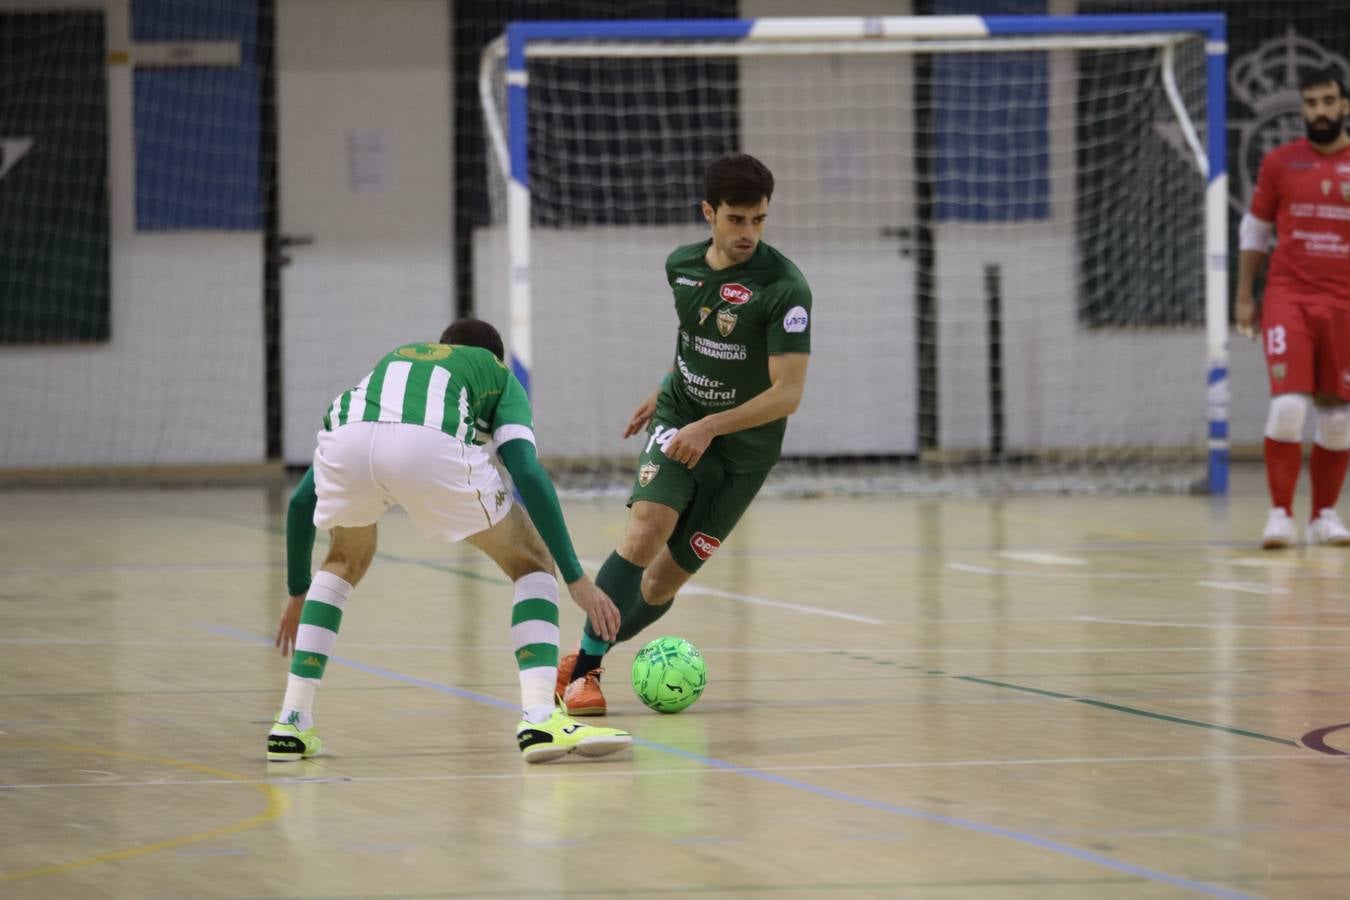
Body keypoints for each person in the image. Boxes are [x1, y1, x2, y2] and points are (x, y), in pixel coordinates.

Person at [269, 318, 631, 763]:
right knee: (533, 565)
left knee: (344, 561)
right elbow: (527, 470)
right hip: (427, 446)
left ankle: (292, 720)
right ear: (493, 357)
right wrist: (577, 578)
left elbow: (301, 503)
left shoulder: (401, 364)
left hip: (345, 438)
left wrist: (296, 591)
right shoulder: (498, 374)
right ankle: (539, 718)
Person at [556, 153, 812, 714]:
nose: (749, 232)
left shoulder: (785, 288)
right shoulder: (681, 267)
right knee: (646, 532)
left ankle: (586, 654)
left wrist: (711, 426)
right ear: (709, 213)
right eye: (737, 219)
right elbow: (695, 338)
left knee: (659, 585)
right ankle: (588, 672)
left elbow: (786, 393)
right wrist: (667, 389)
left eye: (759, 220)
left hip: (744, 451)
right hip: (681, 417)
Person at [1237, 66, 1350, 549]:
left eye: (1327, 101)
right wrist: (1245, 294)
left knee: (1339, 420)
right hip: (1290, 295)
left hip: (1343, 302)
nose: (1318, 112)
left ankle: (1323, 515)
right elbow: (1256, 229)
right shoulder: (1281, 162)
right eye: (1311, 103)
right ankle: (1280, 514)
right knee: (1287, 406)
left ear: (1344, 105)